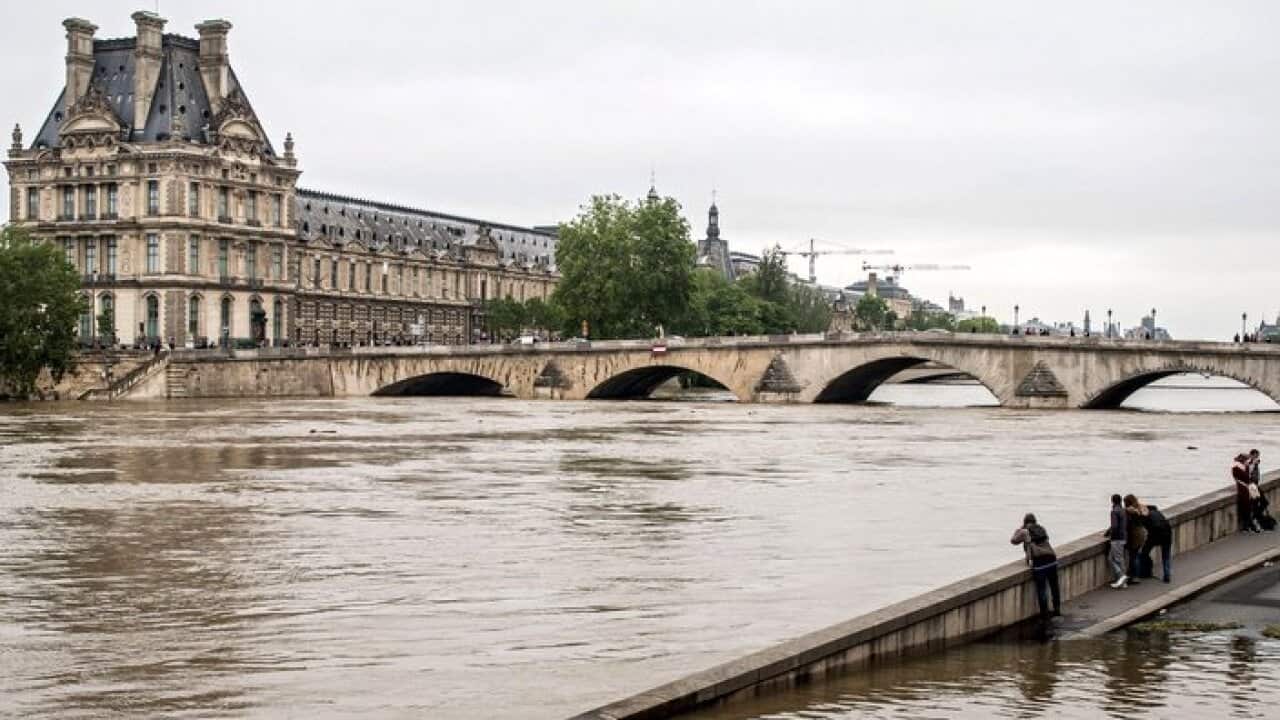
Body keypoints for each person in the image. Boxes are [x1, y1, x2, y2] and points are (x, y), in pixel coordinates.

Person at [1011, 513, 1061, 619]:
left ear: (1025, 522)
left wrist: (1018, 530)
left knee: (1042, 590)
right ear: (1035, 521)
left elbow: (1013, 541)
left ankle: (1045, 614)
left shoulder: (1024, 532)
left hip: (1040, 563)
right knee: (1054, 587)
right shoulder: (1041, 528)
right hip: (1052, 559)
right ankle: (1057, 609)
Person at [1126, 495, 1173, 583]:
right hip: (1167, 534)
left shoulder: (1144, 516)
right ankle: (1167, 576)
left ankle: (1144, 572)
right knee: (1166, 556)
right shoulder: (1157, 512)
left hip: (1155, 535)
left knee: (1144, 552)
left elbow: (1136, 518)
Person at [1104, 494, 1128, 588]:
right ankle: (1122, 579)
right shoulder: (1123, 510)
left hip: (1117, 539)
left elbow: (1114, 526)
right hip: (1123, 537)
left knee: (1118, 559)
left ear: (1112, 501)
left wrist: (1109, 533)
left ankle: (1122, 578)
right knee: (1111, 558)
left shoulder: (1114, 511)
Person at [1233, 453, 1258, 533]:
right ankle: (1246, 526)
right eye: (1248, 460)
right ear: (1243, 460)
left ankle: (1248, 525)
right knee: (1245, 507)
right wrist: (1250, 467)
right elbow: (1247, 478)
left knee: (1249, 507)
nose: (1249, 461)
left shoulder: (1245, 467)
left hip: (1246, 489)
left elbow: (1251, 478)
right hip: (1242, 489)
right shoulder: (1236, 468)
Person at [1125, 500, 1149, 582]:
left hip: (1136, 537)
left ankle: (1134, 576)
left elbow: (1126, 525)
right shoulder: (1141, 512)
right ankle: (1135, 575)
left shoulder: (1132, 514)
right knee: (1136, 555)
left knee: (1134, 556)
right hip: (1142, 535)